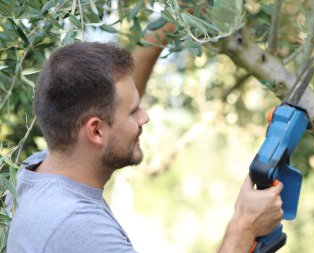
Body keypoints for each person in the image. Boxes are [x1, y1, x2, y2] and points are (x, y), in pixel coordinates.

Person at [7, 24, 283, 253]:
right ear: (96, 131)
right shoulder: (78, 227)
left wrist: (164, 28)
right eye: (133, 111)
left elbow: (113, 101)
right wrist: (245, 226)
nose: (144, 117)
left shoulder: (34, 173)